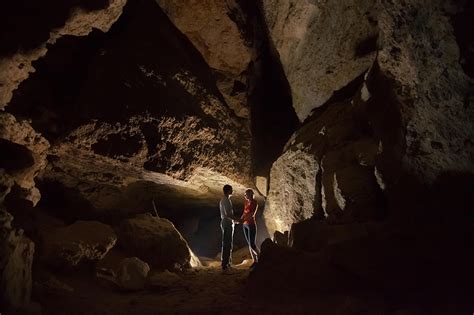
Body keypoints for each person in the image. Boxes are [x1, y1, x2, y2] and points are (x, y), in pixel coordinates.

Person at [219, 184, 239, 272]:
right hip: (227, 223)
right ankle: (225, 264)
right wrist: (238, 219)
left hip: (228, 222)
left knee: (228, 243)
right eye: (231, 190)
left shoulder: (226, 200)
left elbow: (227, 214)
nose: (232, 191)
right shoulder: (226, 200)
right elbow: (228, 214)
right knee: (227, 243)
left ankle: (227, 263)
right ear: (228, 191)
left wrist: (234, 221)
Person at [240, 189, 259, 269]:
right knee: (249, 245)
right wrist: (240, 220)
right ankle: (255, 261)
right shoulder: (246, 202)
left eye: (246, 194)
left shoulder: (254, 202)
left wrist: (242, 220)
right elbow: (244, 213)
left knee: (252, 244)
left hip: (251, 224)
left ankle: (260, 258)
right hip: (245, 225)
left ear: (250, 194)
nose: (245, 196)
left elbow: (251, 214)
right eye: (245, 194)